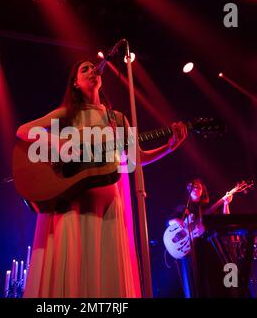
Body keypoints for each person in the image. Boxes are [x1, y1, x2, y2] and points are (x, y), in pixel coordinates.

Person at [16, 59, 188, 298]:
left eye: (93, 68)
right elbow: (23, 131)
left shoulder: (117, 119)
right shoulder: (67, 113)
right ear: (76, 83)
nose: (92, 70)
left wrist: (169, 148)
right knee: (73, 275)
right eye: (84, 69)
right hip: (73, 205)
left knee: (105, 277)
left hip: (109, 206)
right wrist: (58, 142)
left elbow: (136, 159)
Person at [171, 178, 233, 298]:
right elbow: (169, 222)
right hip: (190, 252)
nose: (195, 188)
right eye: (192, 186)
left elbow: (225, 221)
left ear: (202, 191)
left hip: (209, 249)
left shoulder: (207, 207)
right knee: (195, 284)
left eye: (198, 186)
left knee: (214, 282)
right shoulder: (183, 207)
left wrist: (226, 203)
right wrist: (176, 221)